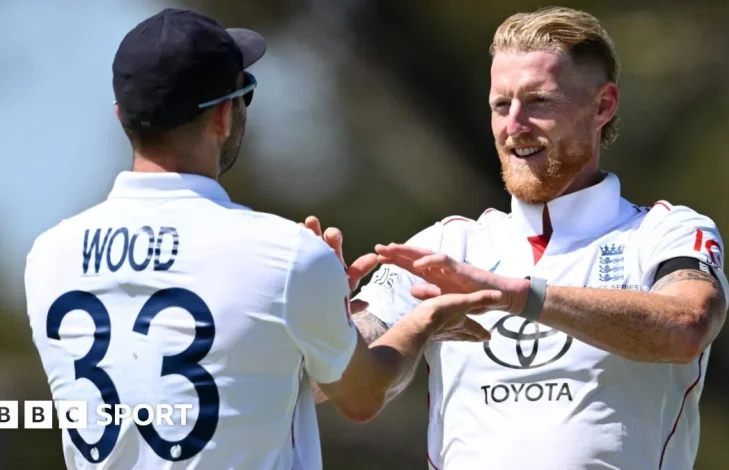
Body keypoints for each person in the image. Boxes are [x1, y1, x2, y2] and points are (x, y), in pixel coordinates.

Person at [23, 8, 510, 470]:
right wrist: (421, 320)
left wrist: (311, 314)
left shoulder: (47, 255)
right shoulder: (285, 254)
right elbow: (362, 395)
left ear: (121, 117)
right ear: (222, 117)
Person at [310, 6, 729, 470]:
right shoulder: (446, 245)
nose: (514, 125)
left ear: (603, 105)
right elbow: (341, 386)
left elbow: (687, 326)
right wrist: (317, 322)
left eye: (539, 102)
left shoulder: (663, 232)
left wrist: (518, 295)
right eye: (500, 105)